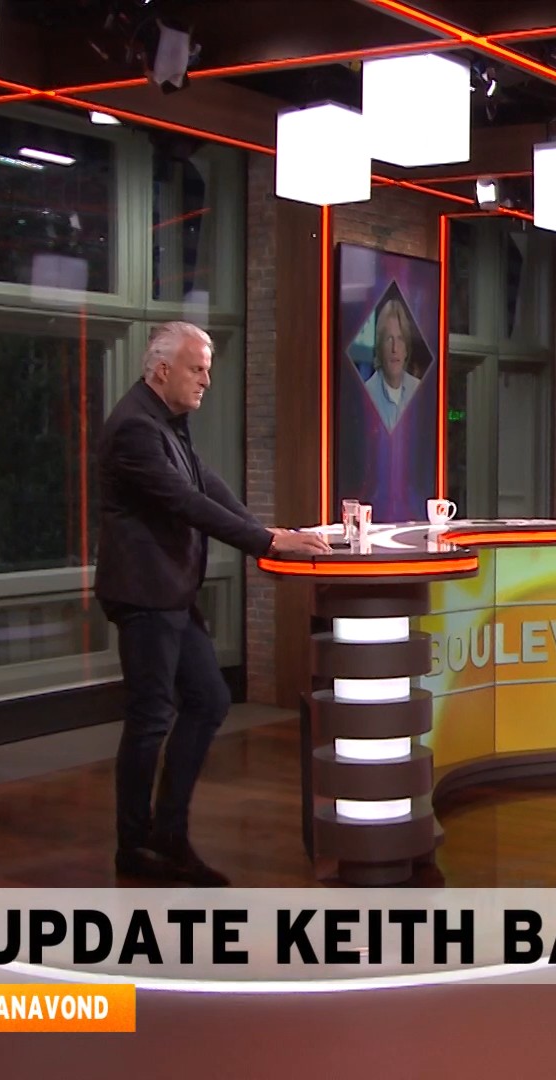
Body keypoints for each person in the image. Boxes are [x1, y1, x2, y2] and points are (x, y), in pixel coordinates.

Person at [95, 321, 331, 886]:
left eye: (208, 369)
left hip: (171, 592)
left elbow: (206, 484)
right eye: (197, 369)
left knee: (207, 698)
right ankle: (136, 846)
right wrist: (265, 543)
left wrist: (266, 530)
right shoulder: (134, 428)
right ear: (162, 371)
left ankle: (168, 833)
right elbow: (184, 503)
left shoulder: (166, 422)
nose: (206, 380)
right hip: (145, 595)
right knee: (151, 718)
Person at [362, 295, 421, 429]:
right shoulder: (366, 394)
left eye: (400, 339)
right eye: (389, 339)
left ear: (406, 349)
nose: (395, 348)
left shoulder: (418, 390)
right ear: (380, 348)